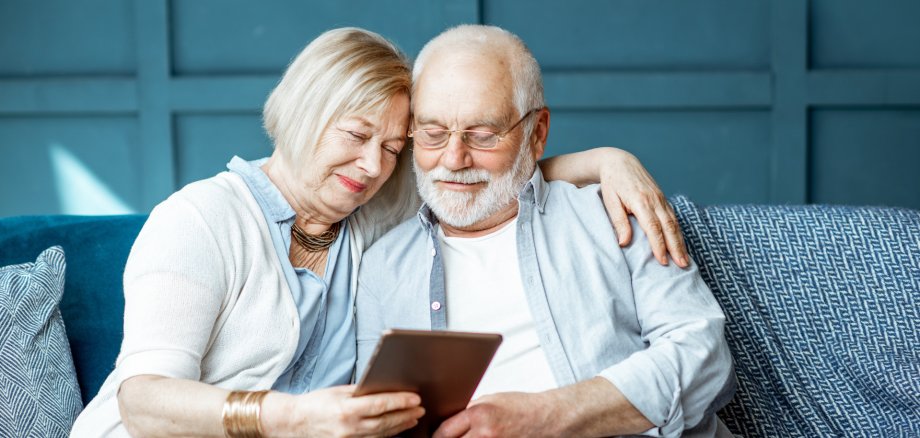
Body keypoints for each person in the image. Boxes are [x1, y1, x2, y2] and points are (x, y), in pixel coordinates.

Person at [70, 27, 686, 437]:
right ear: (302, 113)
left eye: (394, 146)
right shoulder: (201, 219)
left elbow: (474, 174)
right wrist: (293, 418)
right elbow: (143, 399)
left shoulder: (362, 216)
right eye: (356, 136)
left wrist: (606, 161)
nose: (373, 166)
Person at [356, 25, 735, 438]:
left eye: (483, 135)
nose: (454, 157)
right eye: (432, 133)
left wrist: (549, 415)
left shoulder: (611, 214)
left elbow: (703, 355)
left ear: (537, 133)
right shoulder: (383, 266)